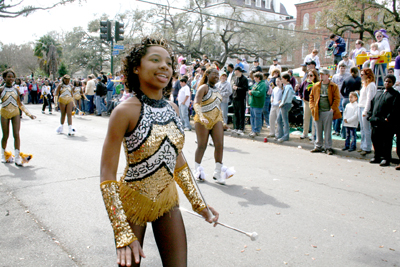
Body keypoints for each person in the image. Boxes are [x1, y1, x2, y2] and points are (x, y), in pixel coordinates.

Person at [99, 37, 219, 267]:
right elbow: (106, 174)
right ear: (136, 67)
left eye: (168, 62)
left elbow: (178, 160)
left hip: (167, 200)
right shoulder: (124, 111)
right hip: (133, 201)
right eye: (155, 60)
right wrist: (121, 229)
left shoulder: (173, 108)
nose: (164, 66)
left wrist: (199, 204)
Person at [193, 67, 235, 184]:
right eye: (214, 74)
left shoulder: (217, 89)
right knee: (202, 145)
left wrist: (223, 122)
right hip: (203, 120)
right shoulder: (203, 87)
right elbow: (196, 102)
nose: (217, 76)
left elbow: (218, 107)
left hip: (216, 120)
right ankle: (197, 170)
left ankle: (217, 173)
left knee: (220, 144)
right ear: (207, 74)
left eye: (218, 74)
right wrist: (200, 116)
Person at [1, 69, 36, 166]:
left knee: (16, 134)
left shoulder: (16, 90)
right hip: (4, 113)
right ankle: (3, 155)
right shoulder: (1, 90)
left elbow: (20, 104)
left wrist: (29, 114)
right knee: (5, 135)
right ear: (4, 78)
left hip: (15, 113)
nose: (11, 78)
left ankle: (17, 158)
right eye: (8, 77)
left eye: (12, 76)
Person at [368, 74, 400, 166]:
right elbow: (372, 103)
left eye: (389, 82)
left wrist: (388, 118)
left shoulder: (395, 94)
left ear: (393, 83)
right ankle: (377, 156)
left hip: (386, 123)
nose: (387, 83)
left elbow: (395, 108)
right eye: (386, 81)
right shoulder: (379, 92)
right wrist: (370, 115)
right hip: (375, 120)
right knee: (375, 139)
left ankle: (386, 158)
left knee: (386, 141)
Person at [309, 68, 341, 155]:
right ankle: (318, 146)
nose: (321, 76)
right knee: (318, 130)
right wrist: (312, 107)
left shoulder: (333, 86)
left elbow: (337, 98)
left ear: (328, 75)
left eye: (323, 74)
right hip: (317, 111)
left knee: (327, 130)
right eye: (320, 74)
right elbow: (311, 97)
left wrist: (333, 109)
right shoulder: (316, 85)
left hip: (328, 111)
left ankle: (328, 147)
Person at [358, 68, 377, 155]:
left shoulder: (371, 85)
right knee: (362, 128)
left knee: (366, 129)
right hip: (360, 106)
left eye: (362, 74)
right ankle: (363, 145)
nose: (361, 76)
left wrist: (365, 111)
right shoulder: (364, 84)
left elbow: (369, 99)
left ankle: (367, 147)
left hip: (365, 108)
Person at [340, 67, 362, 138]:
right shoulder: (359, 79)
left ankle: (343, 134)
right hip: (355, 99)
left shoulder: (346, 79)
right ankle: (353, 134)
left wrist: (345, 96)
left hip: (346, 98)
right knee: (353, 118)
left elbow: (341, 90)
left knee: (345, 117)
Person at [331, 63, 351, 137]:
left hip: (344, 97)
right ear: (339, 68)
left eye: (344, 68)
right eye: (341, 68)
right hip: (337, 97)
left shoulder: (348, 76)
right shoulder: (335, 76)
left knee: (343, 114)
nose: (342, 69)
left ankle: (343, 130)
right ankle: (336, 129)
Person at [299, 69, 319, 140]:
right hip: (306, 102)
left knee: (314, 119)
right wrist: (301, 97)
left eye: (311, 75)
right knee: (306, 118)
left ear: (314, 76)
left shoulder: (317, 83)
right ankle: (305, 133)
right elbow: (300, 90)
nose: (309, 77)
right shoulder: (305, 82)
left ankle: (313, 135)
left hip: (314, 103)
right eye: (308, 75)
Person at [276, 73, 295, 142]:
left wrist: (282, 103)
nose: (281, 80)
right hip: (284, 103)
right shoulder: (286, 86)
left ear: (286, 79)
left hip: (286, 104)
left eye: (282, 79)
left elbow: (286, 96)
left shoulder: (288, 87)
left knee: (285, 120)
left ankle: (286, 136)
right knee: (279, 119)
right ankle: (280, 134)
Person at [248, 72, 266, 137]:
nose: (254, 78)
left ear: (258, 77)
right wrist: (250, 91)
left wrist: (252, 92)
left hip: (258, 104)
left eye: (255, 77)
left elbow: (260, 93)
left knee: (257, 117)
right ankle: (253, 130)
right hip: (252, 103)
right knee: (252, 118)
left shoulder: (262, 84)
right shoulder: (255, 84)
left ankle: (257, 130)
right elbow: (251, 89)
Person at [231, 67, 248, 135]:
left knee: (241, 113)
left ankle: (241, 128)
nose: (234, 72)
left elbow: (245, 88)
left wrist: (238, 88)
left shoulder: (244, 79)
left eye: (235, 71)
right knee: (236, 113)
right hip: (235, 98)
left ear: (238, 71)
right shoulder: (235, 78)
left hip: (241, 98)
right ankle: (236, 127)